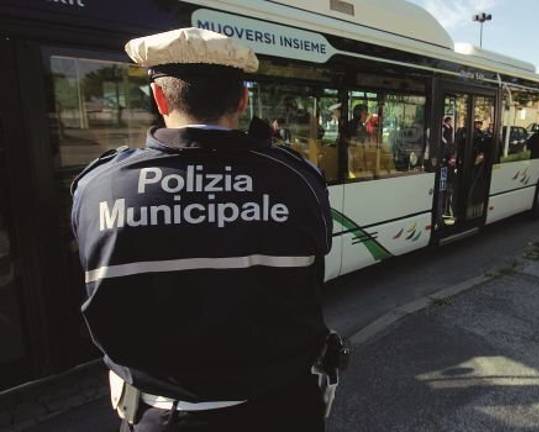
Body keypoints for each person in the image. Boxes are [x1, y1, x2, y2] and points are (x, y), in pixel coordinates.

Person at [70, 28, 343, 431]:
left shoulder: (99, 187)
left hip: (162, 416)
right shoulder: (296, 179)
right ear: (243, 100)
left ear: (159, 98)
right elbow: (310, 278)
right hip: (285, 410)